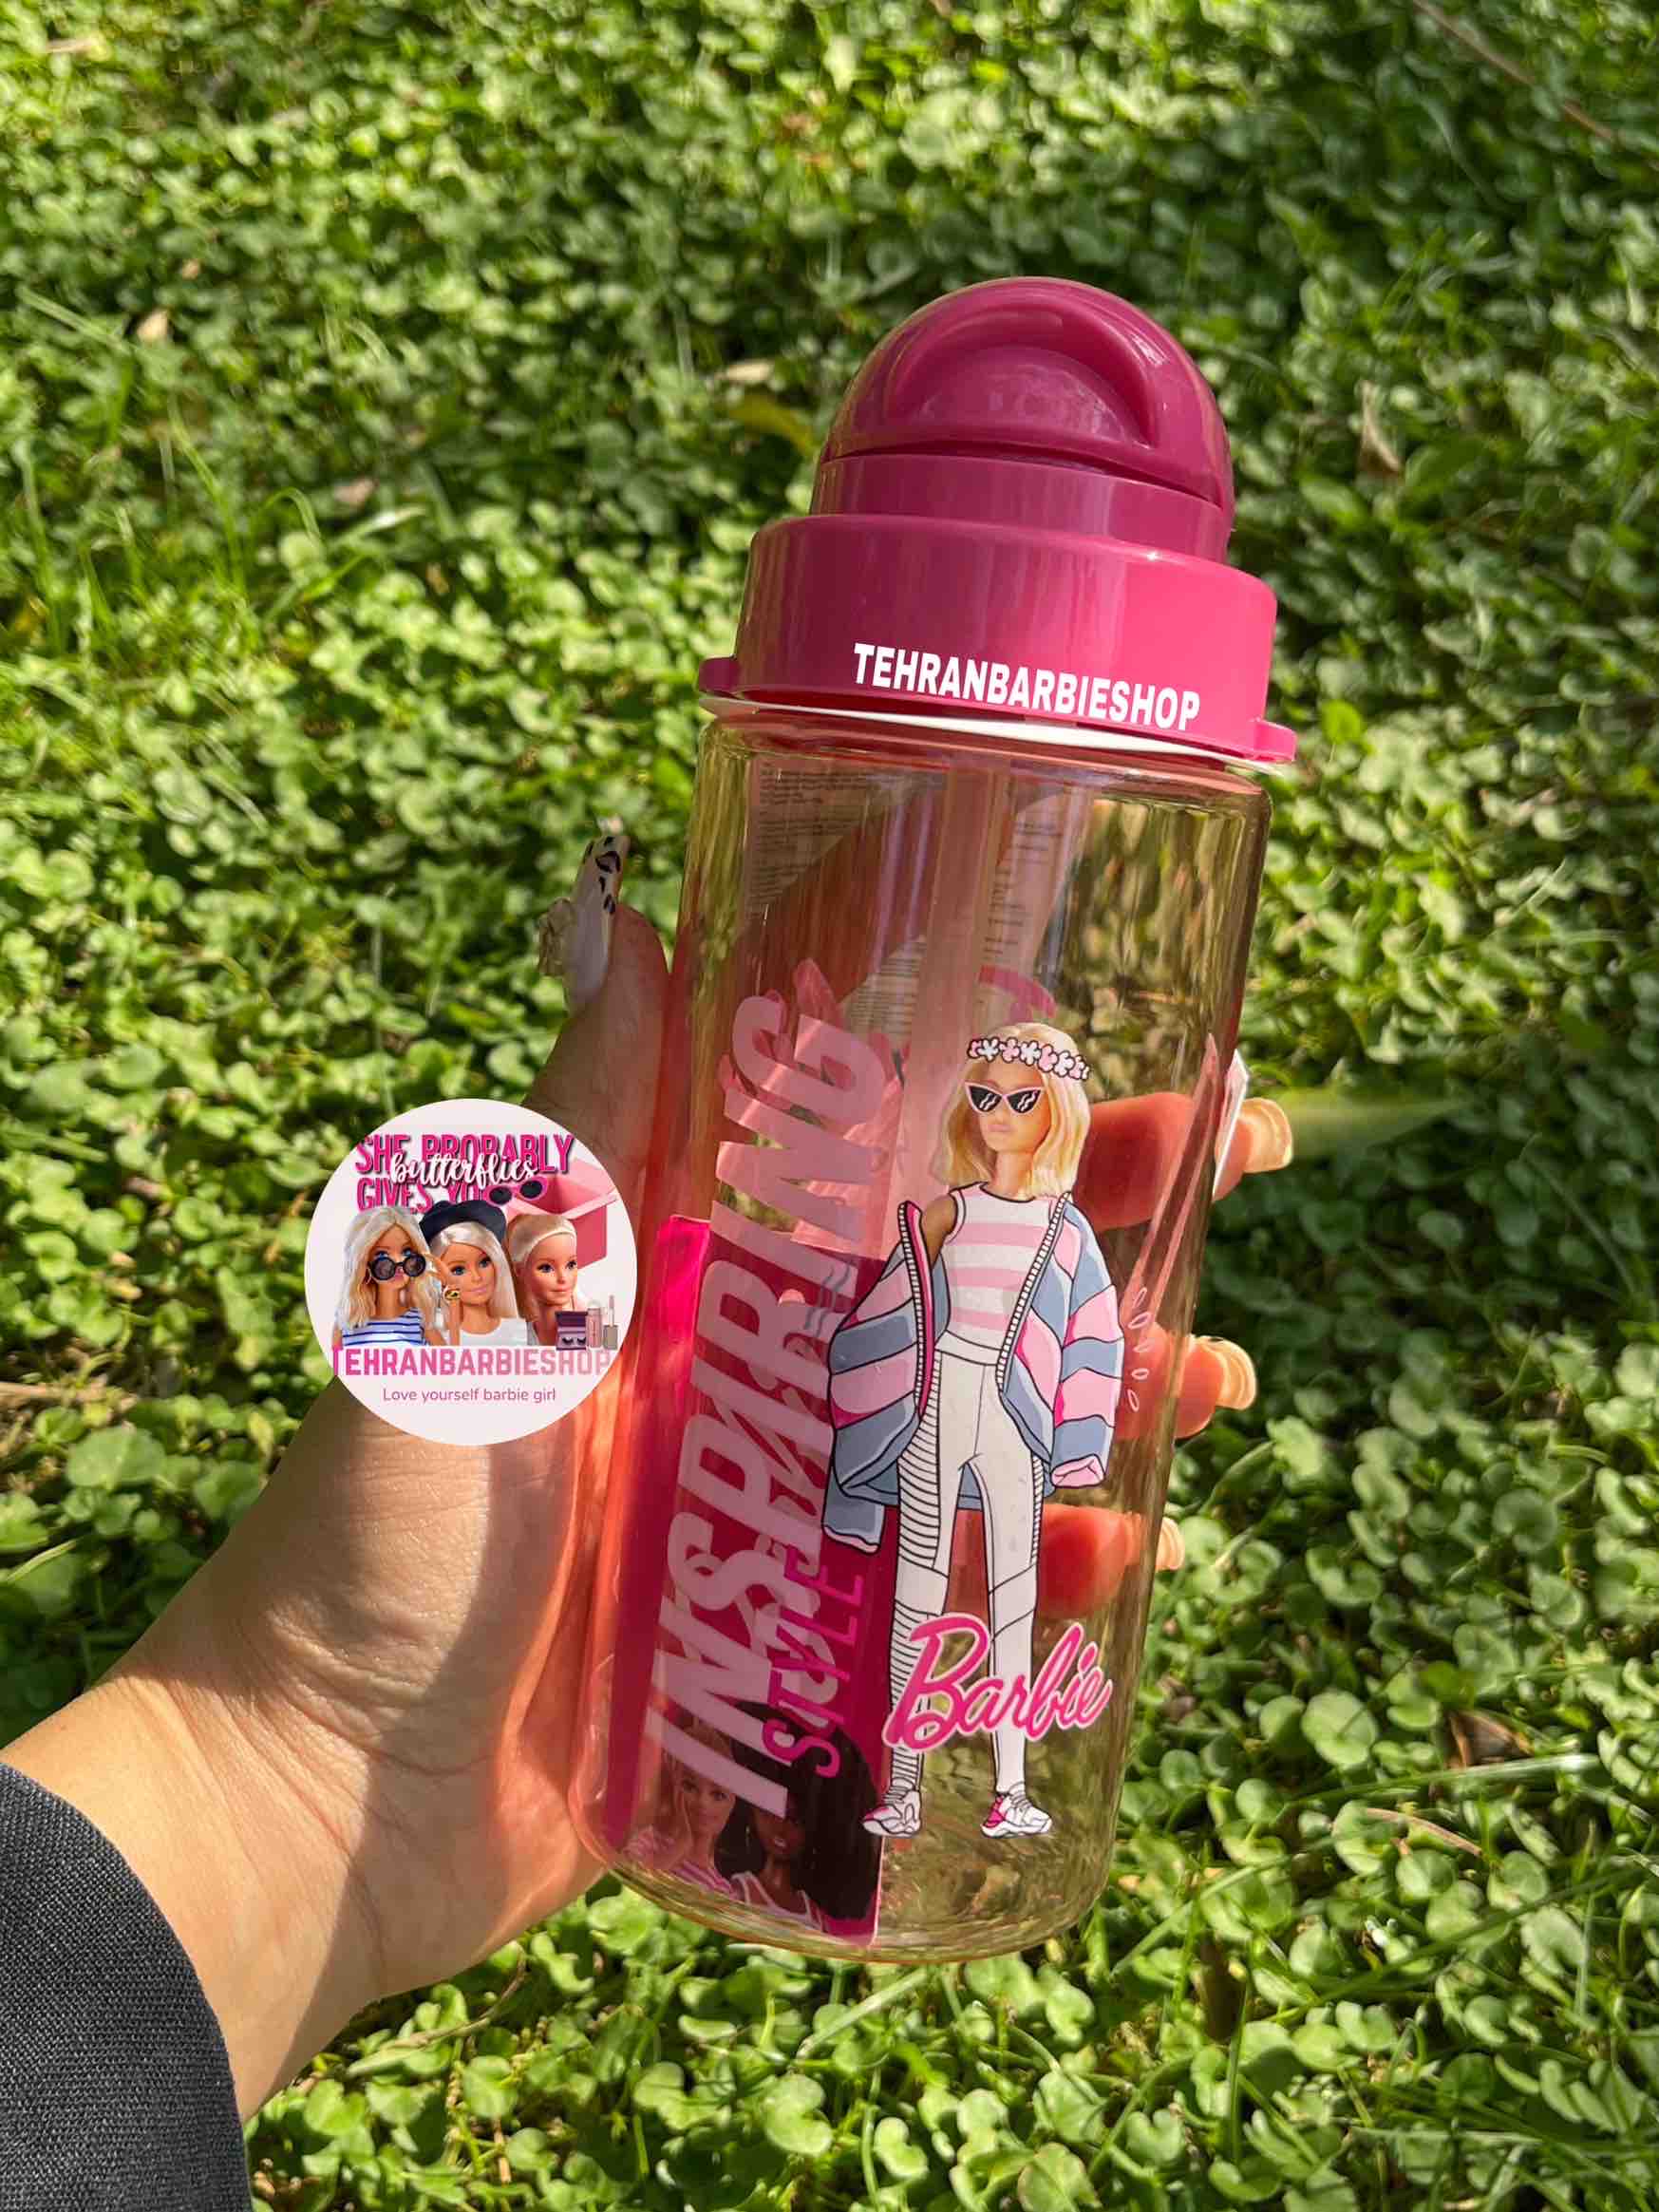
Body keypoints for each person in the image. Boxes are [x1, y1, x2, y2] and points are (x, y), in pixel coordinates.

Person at [0, 849, 1291, 2205]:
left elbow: (1091, 1332)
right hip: (927, 1414)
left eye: (1028, 1098)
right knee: (923, 1578)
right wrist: (292, 1753)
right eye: (991, 1093)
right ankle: (907, 1779)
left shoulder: (1050, 1233)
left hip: (1007, 1425)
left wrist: (1080, 1422)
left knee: (1012, 1585)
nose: (1005, 1113)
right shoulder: (949, 1215)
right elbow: (884, 1315)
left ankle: (1008, 1773)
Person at [330, 1206, 449, 1353]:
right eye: (382, 1254)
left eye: (407, 1251)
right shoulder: (346, 1323)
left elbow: (450, 1362)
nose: (398, 1262)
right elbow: (334, 1365)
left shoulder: (421, 1321)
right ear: (364, 1262)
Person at [507, 1212, 582, 1345]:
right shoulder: (517, 1339)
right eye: (546, 1268)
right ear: (519, 1271)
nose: (563, 1278)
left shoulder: (593, 1331)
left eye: (571, 1265)